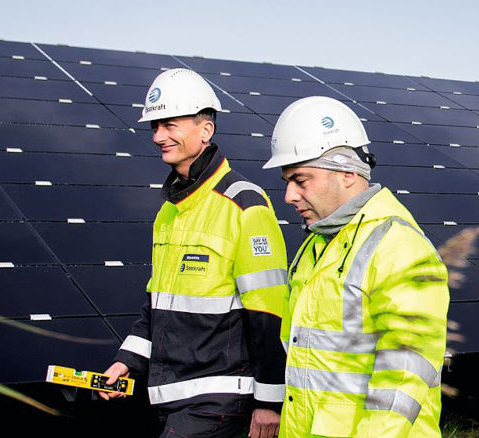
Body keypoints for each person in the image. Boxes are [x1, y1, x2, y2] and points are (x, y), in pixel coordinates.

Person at [99, 68, 287, 438]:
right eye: (154, 127)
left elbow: (268, 312)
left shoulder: (244, 205)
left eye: (170, 125)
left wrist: (269, 402)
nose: (158, 137)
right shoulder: (169, 210)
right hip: (173, 394)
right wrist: (126, 361)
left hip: (221, 400)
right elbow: (158, 304)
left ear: (206, 129)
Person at [262, 96, 449, 437]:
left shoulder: (398, 247)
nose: (288, 195)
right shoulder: (316, 245)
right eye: (287, 181)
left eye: (301, 181)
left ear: (348, 172)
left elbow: (403, 376)